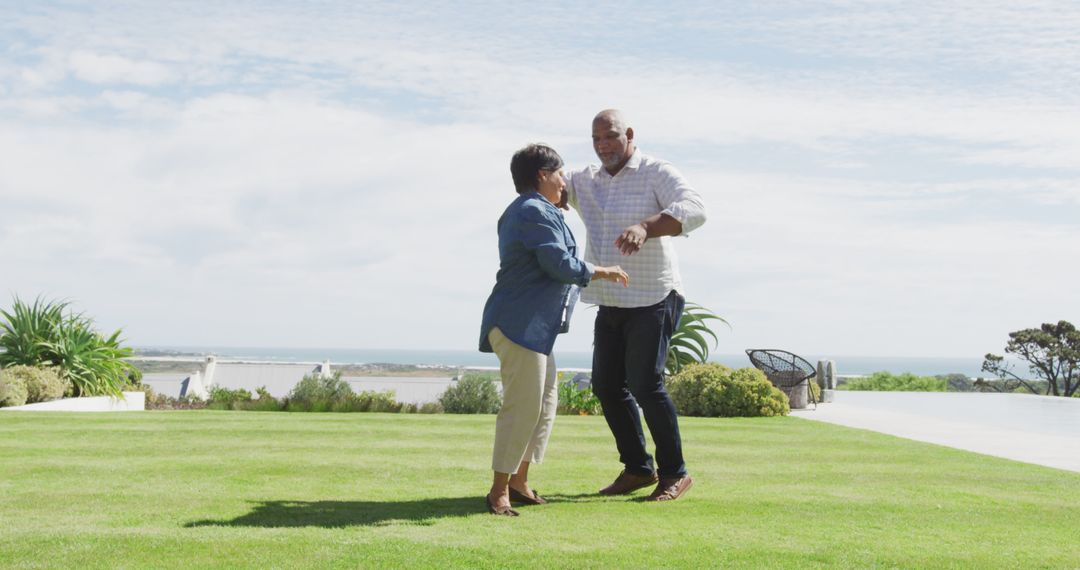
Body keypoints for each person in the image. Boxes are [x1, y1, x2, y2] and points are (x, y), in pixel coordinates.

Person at [564, 109, 707, 502]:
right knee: (607, 385)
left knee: (645, 384)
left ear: (628, 134)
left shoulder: (656, 171)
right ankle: (638, 468)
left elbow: (695, 208)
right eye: (595, 139)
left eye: (609, 136)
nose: (602, 146)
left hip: (654, 296)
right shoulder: (586, 180)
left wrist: (646, 226)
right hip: (611, 298)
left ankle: (675, 473)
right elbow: (553, 183)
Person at [479, 143, 629, 516]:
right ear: (543, 175)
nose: (565, 182)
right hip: (518, 324)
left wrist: (558, 209)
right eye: (561, 174)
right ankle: (498, 491)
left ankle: (519, 481)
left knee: (543, 407)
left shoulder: (539, 210)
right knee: (522, 407)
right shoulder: (532, 210)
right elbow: (557, 262)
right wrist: (600, 269)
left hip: (534, 328)